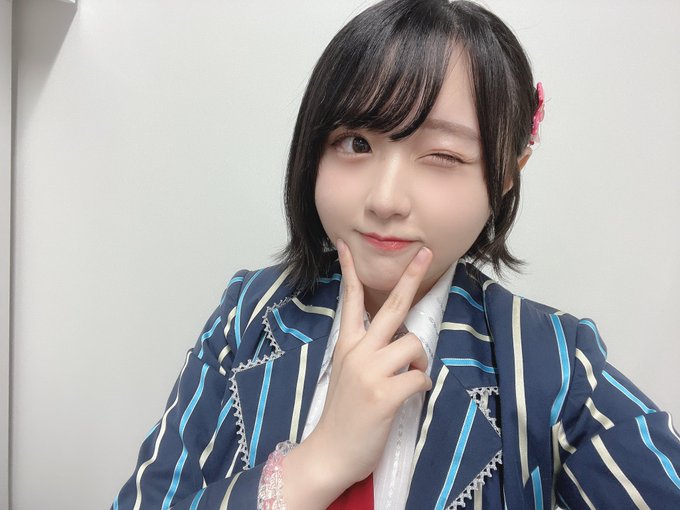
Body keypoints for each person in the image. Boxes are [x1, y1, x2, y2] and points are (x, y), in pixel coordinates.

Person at [111, 0, 680, 508]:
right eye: (355, 143)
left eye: (442, 155)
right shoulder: (250, 313)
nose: (384, 200)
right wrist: (320, 462)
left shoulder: (552, 362)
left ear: (507, 173)